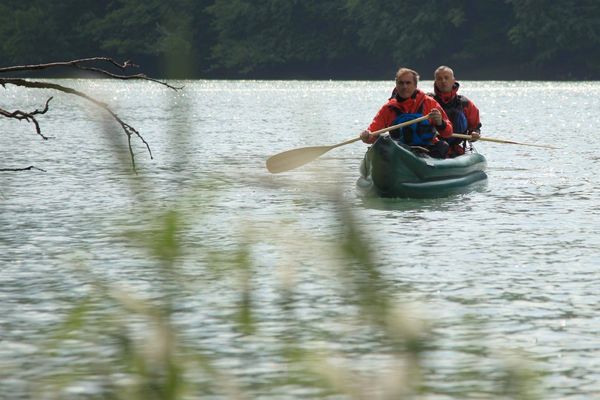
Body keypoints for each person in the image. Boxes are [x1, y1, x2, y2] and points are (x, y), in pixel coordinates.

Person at [360, 68, 453, 158]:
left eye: (408, 83)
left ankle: (431, 168)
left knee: (443, 145)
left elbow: (448, 133)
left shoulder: (430, 103)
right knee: (382, 143)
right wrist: (367, 136)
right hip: (399, 150)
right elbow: (372, 133)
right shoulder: (388, 108)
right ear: (396, 84)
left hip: (427, 149)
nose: (404, 87)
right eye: (401, 83)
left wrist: (440, 122)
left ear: (415, 85)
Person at [432, 65, 481, 157]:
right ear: (436, 82)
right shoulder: (428, 101)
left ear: (453, 80)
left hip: (456, 149)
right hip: (433, 146)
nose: (443, 81)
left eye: (446, 78)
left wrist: (474, 134)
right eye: (439, 79)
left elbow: (475, 127)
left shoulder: (465, 103)